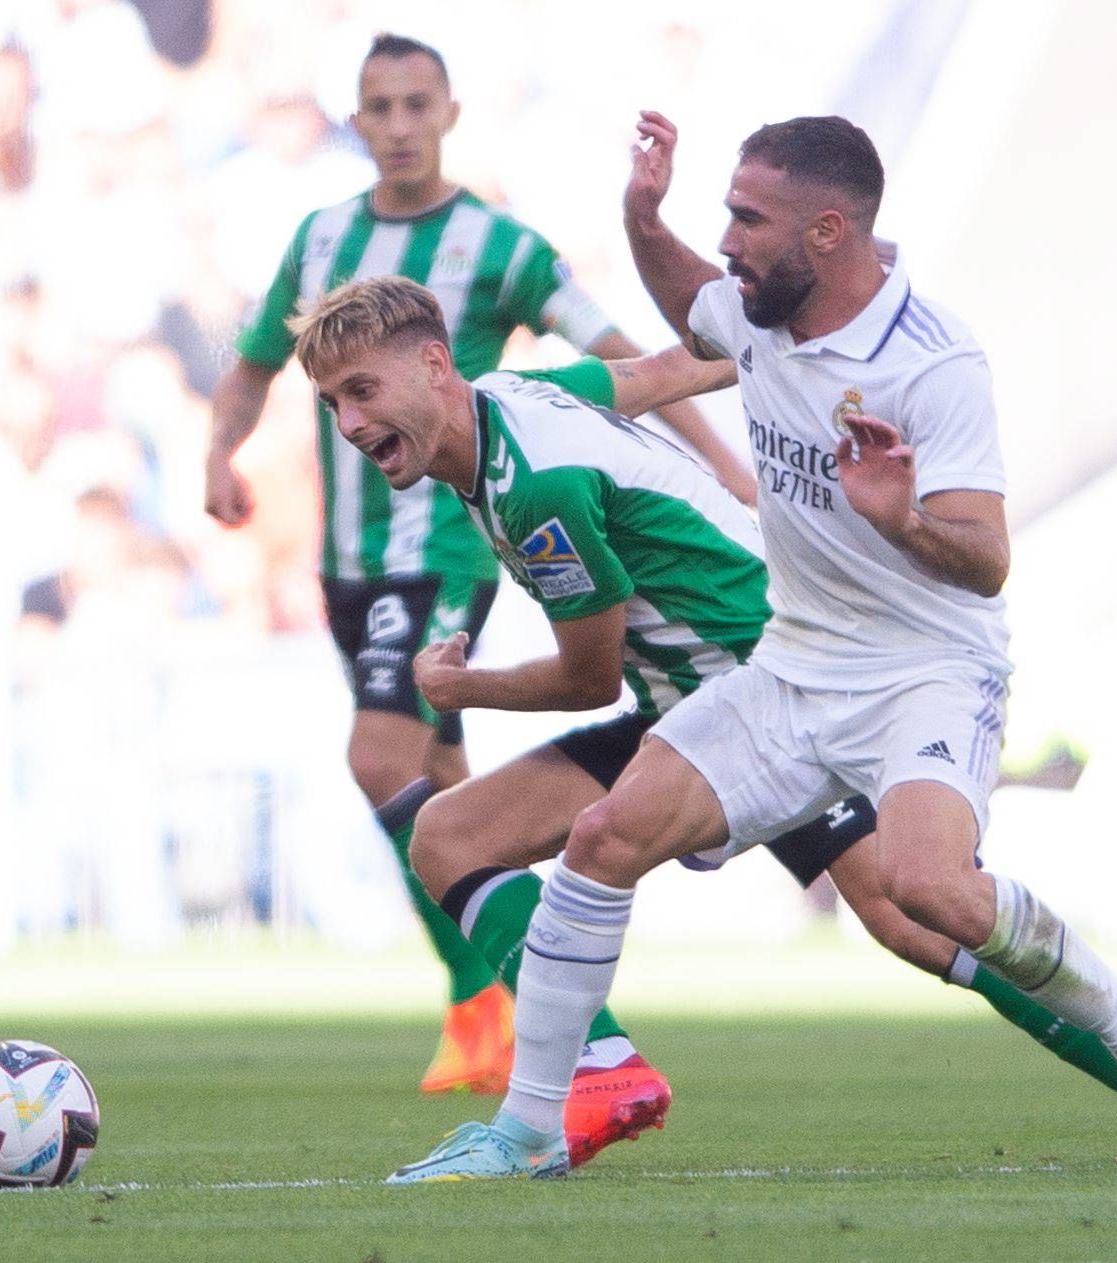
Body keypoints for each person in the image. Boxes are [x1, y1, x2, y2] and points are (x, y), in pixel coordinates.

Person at [383, 114, 1117, 1182]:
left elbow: (984, 560)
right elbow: (685, 305)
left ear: (830, 232)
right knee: (605, 838)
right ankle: (526, 1134)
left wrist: (898, 517)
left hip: (927, 672)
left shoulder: (931, 364)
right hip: (793, 668)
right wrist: (640, 217)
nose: (729, 241)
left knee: (924, 892)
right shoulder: (757, 313)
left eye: (746, 219)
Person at [203, 34, 756, 1095]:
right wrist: (216, 445)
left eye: (417, 104)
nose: (400, 123)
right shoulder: (315, 240)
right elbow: (246, 355)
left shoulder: (502, 245)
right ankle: (513, 1000)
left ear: (449, 113)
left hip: (450, 542)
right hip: (345, 559)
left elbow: (618, 358)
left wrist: (728, 467)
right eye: (379, 106)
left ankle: (494, 1010)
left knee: (380, 760)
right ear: (355, 122)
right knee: (442, 793)